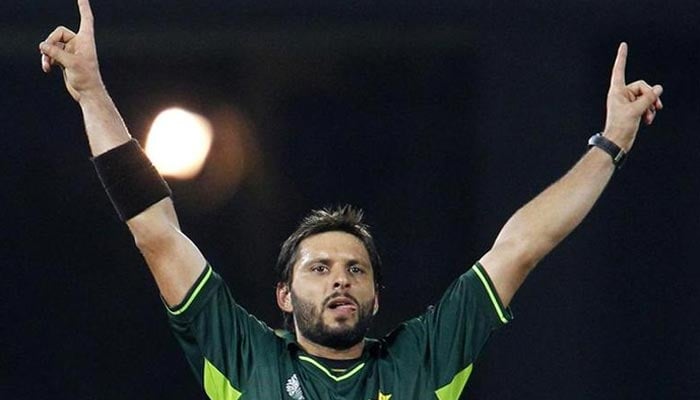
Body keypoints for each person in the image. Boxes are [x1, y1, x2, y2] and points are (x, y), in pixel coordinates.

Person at [39, 1, 663, 399]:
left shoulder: (422, 360)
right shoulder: (242, 354)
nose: (340, 281)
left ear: (375, 297)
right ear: (283, 296)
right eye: (319, 269)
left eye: (354, 270)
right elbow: (156, 230)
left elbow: (524, 244)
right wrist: (92, 92)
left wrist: (611, 142)